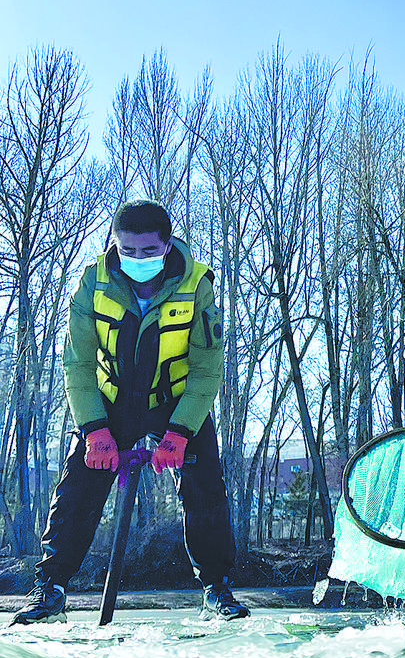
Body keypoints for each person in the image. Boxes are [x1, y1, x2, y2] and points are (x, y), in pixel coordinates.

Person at [12, 200, 250, 624]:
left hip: (176, 401)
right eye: (128, 250)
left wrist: (180, 433)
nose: (138, 259)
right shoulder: (92, 281)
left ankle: (217, 590)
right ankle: (50, 589)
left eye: (149, 251)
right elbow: (78, 364)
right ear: (116, 244)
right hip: (110, 400)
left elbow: (206, 369)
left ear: (167, 245)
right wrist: (94, 430)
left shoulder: (197, 284)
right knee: (77, 484)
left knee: (206, 487)